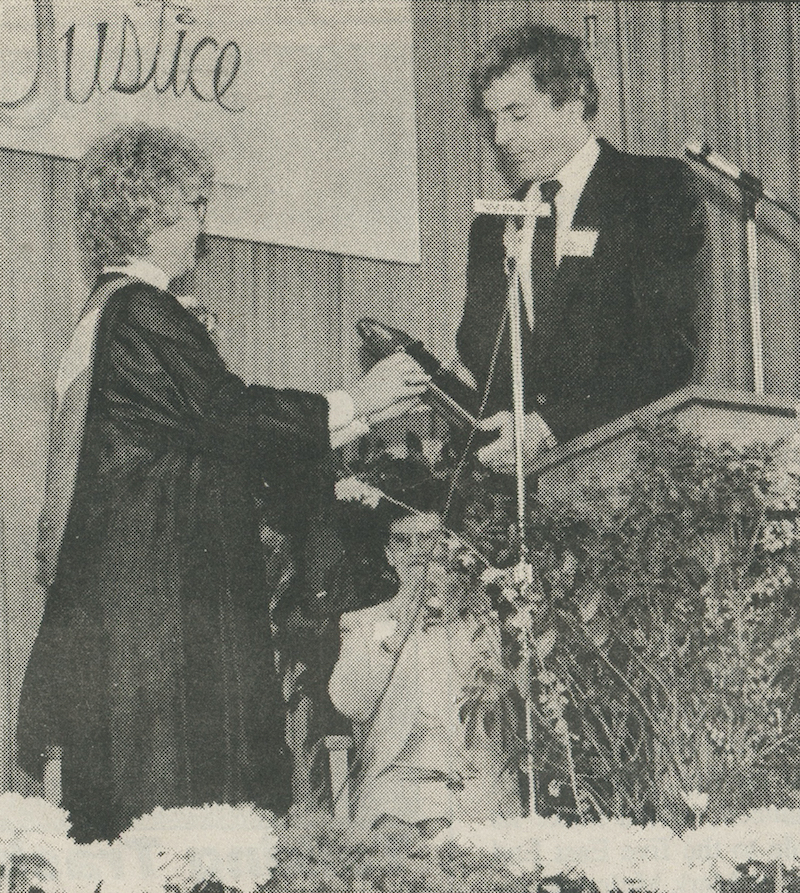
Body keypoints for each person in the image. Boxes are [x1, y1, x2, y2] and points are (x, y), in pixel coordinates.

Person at [17, 123, 430, 841]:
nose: (203, 228)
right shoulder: (141, 312)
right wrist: (357, 401)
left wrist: (354, 417)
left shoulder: (103, 316)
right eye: (196, 206)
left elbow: (211, 438)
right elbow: (229, 416)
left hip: (130, 615)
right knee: (183, 830)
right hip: (159, 624)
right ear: (153, 212)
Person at [457, 25, 706, 474]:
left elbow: (666, 350)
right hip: (519, 490)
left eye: (517, 115)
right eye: (493, 119)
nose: (500, 137)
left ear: (572, 104)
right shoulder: (492, 228)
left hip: (625, 474)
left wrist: (551, 425)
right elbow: (484, 358)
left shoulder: (652, 190)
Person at [328, 506, 519, 834]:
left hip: (472, 774)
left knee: (454, 833)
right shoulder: (366, 623)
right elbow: (351, 703)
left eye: (427, 540)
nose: (416, 550)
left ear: (447, 547)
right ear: (390, 554)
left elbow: (501, 702)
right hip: (398, 776)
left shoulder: (478, 622)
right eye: (403, 542)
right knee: (402, 835)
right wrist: (395, 637)